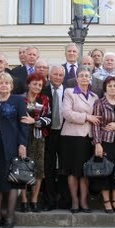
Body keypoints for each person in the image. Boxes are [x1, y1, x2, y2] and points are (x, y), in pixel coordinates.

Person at [0, 73, 31, 228]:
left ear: (11, 85)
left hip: (12, 146)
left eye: (6, 83)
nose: (3, 85)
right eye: (0, 83)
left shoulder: (18, 101)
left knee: (12, 181)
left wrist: (22, 144)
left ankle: (9, 216)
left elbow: (24, 123)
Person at [60, 67, 100, 213]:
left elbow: (98, 116)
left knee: (85, 172)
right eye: (81, 75)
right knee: (72, 171)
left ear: (90, 79)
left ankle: (84, 201)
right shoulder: (69, 92)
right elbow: (66, 113)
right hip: (72, 137)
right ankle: (75, 201)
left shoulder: (95, 96)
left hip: (88, 137)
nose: (84, 78)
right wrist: (86, 117)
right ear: (76, 79)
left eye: (87, 76)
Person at [91, 76, 115, 213]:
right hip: (105, 141)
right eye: (110, 85)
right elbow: (95, 125)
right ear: (105, 88)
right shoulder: (99, 103)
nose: (113, 88)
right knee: (105, 171)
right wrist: (97, 143)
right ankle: (107, 202)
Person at [19, 72, 51, 212]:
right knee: (22, 168)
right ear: (29, 84)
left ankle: (34, 200)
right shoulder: (19, 99)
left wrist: (35, 121)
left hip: (38, 138)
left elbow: (49, 119)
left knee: (38, 170)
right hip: (22, 138)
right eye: (35, 84)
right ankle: (24, 201)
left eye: (40, 85)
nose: (37, 87)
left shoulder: (44, 99)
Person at [41, 64, 65, 211]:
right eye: (55, 74)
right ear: (49, 76)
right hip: (48, 134)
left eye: (60, 75)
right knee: (48, 167)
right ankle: (49, 200)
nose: (57, 77)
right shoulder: (42, 91)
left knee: (63, 167)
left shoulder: (69, 92)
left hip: (65, 133)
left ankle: (63, 199)